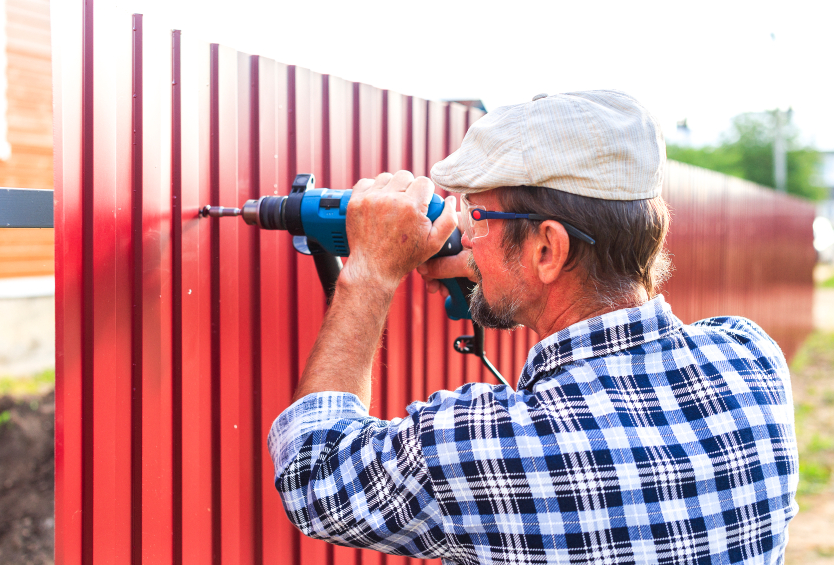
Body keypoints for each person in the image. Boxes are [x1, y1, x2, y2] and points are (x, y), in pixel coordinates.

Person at [267, 90, 798, 565]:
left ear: (548, 249)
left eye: (478, 217)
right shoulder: (750, 359)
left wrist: (370, 272)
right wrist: (502, 265)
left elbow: (316, 475)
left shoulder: (485, 448)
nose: (466, 235)